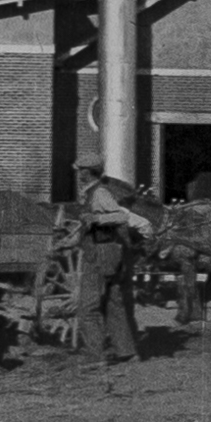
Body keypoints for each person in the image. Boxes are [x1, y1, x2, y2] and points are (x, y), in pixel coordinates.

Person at [73, 152, 153, 367]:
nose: (78, 174)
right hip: (112, 252)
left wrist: (96, 218)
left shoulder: (99, 193)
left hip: (100, 254)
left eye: (81, 171)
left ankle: (95, 356)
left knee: (87, 308)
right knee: (114, 304)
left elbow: (120, 216)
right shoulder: (94, 192)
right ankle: (127, 352)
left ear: (88, 173)